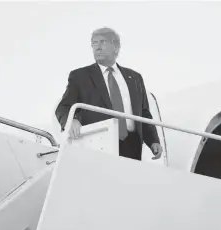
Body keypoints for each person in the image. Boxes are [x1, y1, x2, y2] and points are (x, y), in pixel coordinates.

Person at [55, 27, 163, 161]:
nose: (97, 48)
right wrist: (70, 120)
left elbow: (144, 112)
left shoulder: (135, 78)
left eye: (102, 42)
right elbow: (63, 107)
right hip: (99, 144)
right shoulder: (80, 76)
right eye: (94, 43)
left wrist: (153, 140)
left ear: (116, 47)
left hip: (132, 145)